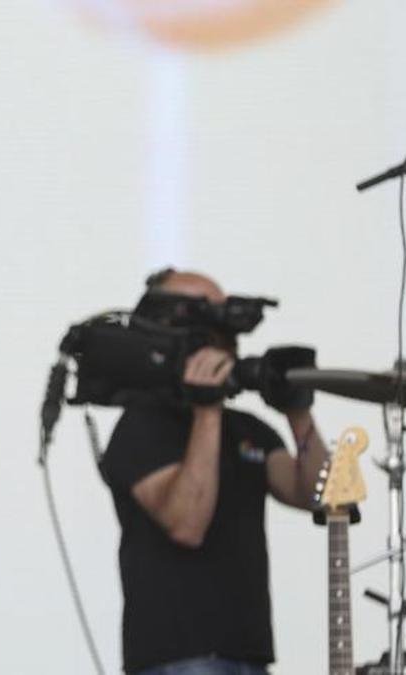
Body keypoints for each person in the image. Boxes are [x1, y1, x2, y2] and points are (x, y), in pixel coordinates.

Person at [99, 269, 328, 675]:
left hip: (249, 654)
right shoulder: (142, 426)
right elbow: (187, 524)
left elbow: (319, 495)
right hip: (178, 657)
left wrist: (299, 412)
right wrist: (207, 409)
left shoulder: (246, 428)